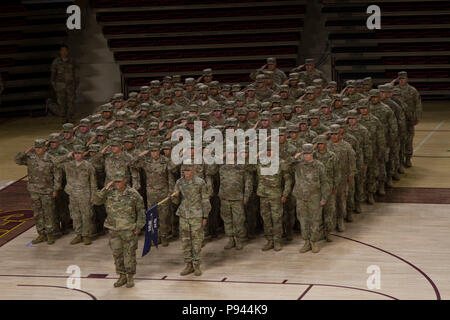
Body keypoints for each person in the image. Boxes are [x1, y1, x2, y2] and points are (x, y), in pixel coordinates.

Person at [93, 171, 145, 288]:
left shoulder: (133, 194)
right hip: (113, 228)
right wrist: (105, 189)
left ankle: (130, 276)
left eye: (119, 181)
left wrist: (139, 226)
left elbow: (141, 211)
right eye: (114, 181)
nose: (116, 184)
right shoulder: (109, 193)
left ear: (125, 180)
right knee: (117, 254)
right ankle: (122, 276)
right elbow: (96, 201)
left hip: (128, 229)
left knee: (129, 253)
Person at [14, 139, 62, 244]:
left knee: (49, 213)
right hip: (34, 190)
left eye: (40, 148)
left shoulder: (51, 159)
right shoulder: (31, 158)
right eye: (36, 148)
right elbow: (17, 160)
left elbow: (57, 176)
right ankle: (41, 234)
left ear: (45, 148)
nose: (38, 150)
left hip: (47, 191)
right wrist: (26, 152)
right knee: (37, 213)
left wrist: (56, 189)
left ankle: (50, 234)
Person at [171, 164, 211, 276]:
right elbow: (175, 201)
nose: (187, 172)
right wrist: (174, 196)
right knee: (185, 241)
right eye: (185, 171)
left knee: (197, 241)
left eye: (189, 170)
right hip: (184, 214)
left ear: (192, 170)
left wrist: (205, 216)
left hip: (196, 215)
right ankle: (188, 264)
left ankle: (196, 265)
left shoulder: (200, 182)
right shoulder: (179, 182)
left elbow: (205, 200)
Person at [293, 143, 330, 253]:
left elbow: (324, 182)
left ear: (312, 153)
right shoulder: (298, 165)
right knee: (303, 220)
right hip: (301, 197)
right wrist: (294, 158)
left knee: (315, 220)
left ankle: (314, 242)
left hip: (315, 197)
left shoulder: (319, 165)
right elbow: (284, 167)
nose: (306, 156)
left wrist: (324, 198)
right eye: (304, 154)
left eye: (308, 154)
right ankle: (306, 242)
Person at [59, 145, 97, 245]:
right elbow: (55, 162)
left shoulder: (88, 166)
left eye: (79, 153)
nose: (77, 156)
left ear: (83, 154)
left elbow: (93, 182)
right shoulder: (68, 164)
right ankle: (78, 234)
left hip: (85, 194)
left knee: (87, 215)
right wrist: (66, 156)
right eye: (75, 153)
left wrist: (93, 195)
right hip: (72, 194)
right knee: (75, 215)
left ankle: (86, 235)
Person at [50, 44, 79, 123]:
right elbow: (53, 75)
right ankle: (63, 119)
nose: (64, 52)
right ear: (60, 52)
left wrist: (76, 85)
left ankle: (71, 118)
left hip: (70, 85)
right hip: (60, 86)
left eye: (65, 50)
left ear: (67, 51)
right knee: (62, 103)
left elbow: (76, 74)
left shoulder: (72, 61)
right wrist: (54, 85)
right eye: (62, 50)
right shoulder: (56, 62)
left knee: (71, 103)